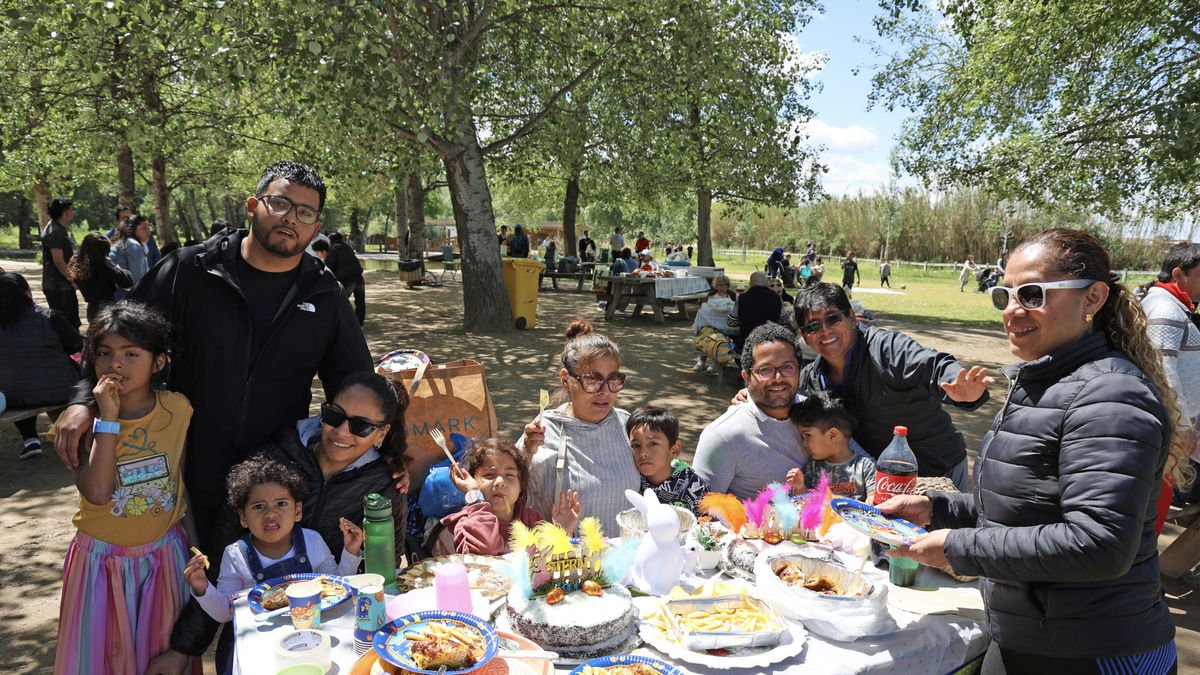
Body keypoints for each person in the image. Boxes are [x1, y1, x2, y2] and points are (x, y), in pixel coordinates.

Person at [50, 161, 374, 672]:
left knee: (260, 604)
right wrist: (82, 399)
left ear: (316, 226)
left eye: (307, 212)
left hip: (266, 475)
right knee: (177, 597)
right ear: (254, 206)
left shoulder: (324, 294)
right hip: (180, 468)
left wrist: (388, 451)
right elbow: (119, 338)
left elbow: (357, 388)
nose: (292, 218)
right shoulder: (189, 269)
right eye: (281, 203)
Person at [882, 228, 1187, 674]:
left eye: (1031, 293)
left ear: (1093, 298)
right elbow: (1027, 507)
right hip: (1029, 640)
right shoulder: (1045, 382)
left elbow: (1098, 543)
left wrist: (958, 547)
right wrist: (936, 509)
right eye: (1003, 295)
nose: (1012, 310)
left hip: (1095, 653)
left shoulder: (1112, 396)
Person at [49, 301, 192, 675]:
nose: (116, 364)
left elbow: (180, 479)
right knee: (101, 658)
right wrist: (107, 420)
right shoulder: (81, 424)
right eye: (105, 354)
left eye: (132, 354)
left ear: (158, 362)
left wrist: (194, 549)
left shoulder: (177, 409)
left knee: (158, 656)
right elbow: (96, 492)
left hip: (164, 559)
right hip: (100, 564)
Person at [793, 283, 991, 490]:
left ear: (851, 318)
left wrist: (962, 389)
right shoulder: (810, 380)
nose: (825, 331)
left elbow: (931, 364)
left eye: (833, 319)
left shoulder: (887, 349)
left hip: (936, 469)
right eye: (813, 326)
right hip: (879, 481)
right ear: (805, 335)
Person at [183, 456, 363, 625]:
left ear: (298, 510)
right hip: (261, 640)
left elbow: (337, 589)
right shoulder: (236, 555)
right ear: (243, 517)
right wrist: (203, 588)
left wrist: (350, 552)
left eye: (281, 504)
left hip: (312, 629)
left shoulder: (312, 540)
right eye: (258, 506)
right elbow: (225, 612)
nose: (270, 514)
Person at [262, 372, 407, 561]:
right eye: (334, 415)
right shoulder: (274, 459)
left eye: (360, 425)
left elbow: (386, 565)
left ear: (381, 433)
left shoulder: (386, 485)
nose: (341, 432)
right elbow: (228, 541)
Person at [519, 321, 637, 533]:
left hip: (625, 558)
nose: (605, 391)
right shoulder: (545, 432)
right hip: (569, 560)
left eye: (613, 380)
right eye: (592, 380)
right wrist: (526, 453)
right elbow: (512, 494)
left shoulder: (627, 425)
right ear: (566, 379)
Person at [694, 323, 810, 499]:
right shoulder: (723, 435)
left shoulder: (818, 414)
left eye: (787, 367)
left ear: (799, 370)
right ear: (746, 378)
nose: (778, 378)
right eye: (765, 370)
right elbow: (702, 509)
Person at [1142, 242, 1200, 504]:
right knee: (1160, 498)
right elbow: (1162, 369)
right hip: (1171, 426)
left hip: (1173, 423)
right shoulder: (1166, 309)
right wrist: (1183, 425)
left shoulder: (1173, 306)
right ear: (1179, 274)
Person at [0, 272, 81, 460]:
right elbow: (76, 345)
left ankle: (30, 440)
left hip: (11, 395)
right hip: (59, 388)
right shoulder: (49, 317)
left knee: (20, 383)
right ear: (27, 292)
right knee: (41, 381)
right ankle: (68, 435)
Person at [433, 438, 561, 556]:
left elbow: (550, 560)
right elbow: (486, 550)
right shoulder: (465, 524)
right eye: (489, 475)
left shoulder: (531, 519)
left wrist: (564, 529)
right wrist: (475, 497)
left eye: (509, 475)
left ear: (521, 485)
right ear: (471, 481)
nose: (500, 481)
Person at [785, 392, 875, 502]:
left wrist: (872, 498)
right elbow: (803, 503)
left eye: (807, 435)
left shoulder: (865, 466)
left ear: (833, 434)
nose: (804, 443)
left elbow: (874, 499)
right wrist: (799, 487)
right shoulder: (812, 468)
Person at [628, 406, 708, 515]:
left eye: (653, 444)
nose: (643, 453)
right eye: (636, 445)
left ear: (674, 450)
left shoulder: (693, 487)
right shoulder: (629, 480)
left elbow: (705, 527)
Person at [70, 232, 133, 321]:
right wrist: (118, 269)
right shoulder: (104, 265)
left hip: (92, 309)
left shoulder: (79, 264)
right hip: (106, 309)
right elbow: (126, 281)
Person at [42, 196, 80, 328]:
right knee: (68, 324)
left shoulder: (55, 228)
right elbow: (58, 261)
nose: (73, 212)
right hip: (59, 287)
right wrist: (72, 279)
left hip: (56, 285)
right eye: (72, 209)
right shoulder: (56, 232)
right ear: (65, 211)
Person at [731, 271, 783, 359]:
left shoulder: (742, 299)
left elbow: (731, 322)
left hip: (745, 345)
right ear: (767, 283)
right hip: (770, 344)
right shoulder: (777, 298)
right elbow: (784, 321)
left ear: (750, 284)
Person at [693, 275, 736, 372]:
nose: (722, 287)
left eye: (724, 285)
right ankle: (701, 361)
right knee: (705, 336)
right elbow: (703, 308)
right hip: (710, 325)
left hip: (726, 326)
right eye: (719, 285)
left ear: (728, 286)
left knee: (721, 339)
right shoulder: (710, 295)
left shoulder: (732, 296)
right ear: (715, 286)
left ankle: (715, 361)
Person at [325, 231, 366, 326]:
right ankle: (360, 324)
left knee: (339, 302)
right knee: (360, 303)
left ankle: (340, 324)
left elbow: (328, 267)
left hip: (347, 280)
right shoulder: (348, 248)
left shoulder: (333, 249)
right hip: (359, 278)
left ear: (331, 240)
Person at [109, 214, 152, 299]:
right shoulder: (134, 245)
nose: (148, 232)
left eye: (148, 228)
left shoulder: (123, 242)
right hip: (126, 295)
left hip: (116, 292)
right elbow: (137, 278)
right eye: (144, 228)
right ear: (133, 230)